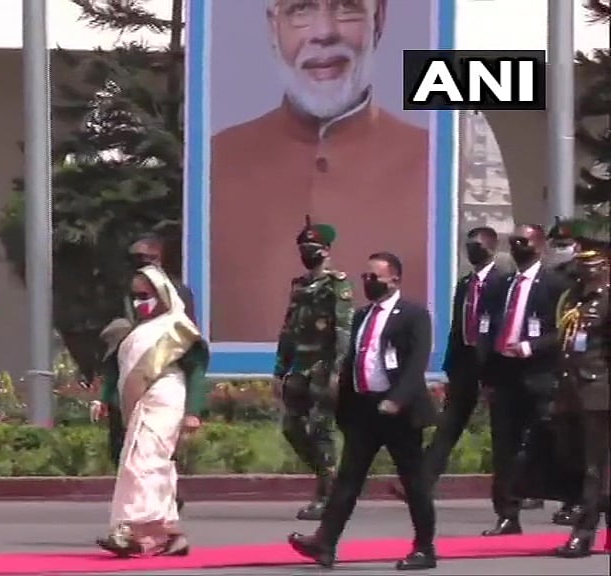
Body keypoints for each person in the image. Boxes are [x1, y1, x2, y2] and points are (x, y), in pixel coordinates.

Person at [209, 0, 429, 343]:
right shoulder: (218, 160)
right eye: (301, 10)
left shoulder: (428, 161)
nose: (324, 32)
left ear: (379, 18)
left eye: (347, 8)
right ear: (273, 27)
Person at [288, 252, 438, 570]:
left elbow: (416, 364)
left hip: (399, 410)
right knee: (348, 480)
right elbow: (354, 360)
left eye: (375, 278)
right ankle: (324, 543)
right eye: (365, 277)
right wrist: (343, 403)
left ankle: (424, 547)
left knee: (413, 482)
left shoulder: (412, 314)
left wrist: (397, 399)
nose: (368, 283)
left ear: (394, 279)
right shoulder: (362, 315)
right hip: (364, 410)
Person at [95, 265, 210, 557]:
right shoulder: (134, 333)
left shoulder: (178, 328)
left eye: (144, 295)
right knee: (152, 464)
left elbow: (196, 372)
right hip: (141, 402)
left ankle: (132, 530)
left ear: (161, 295)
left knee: (143, 461)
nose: (138, 302)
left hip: (166, 395)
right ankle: (168, 535)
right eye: (134, 296)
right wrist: (106, 401)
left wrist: (193, 411)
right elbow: (116, 374)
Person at [389, 228, 505, 504]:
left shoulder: (502, 283)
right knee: (449, 423)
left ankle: (513, 491)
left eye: (476, 245)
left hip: (492, 362)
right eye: (468, 245)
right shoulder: (466, 283)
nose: (471, 250)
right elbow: (457, 326)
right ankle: (421, 483)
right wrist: (450, 365)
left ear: (490, 247)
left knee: (504, 431)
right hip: (465, 361)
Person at [478, 224, 573, 537]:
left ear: (539, 246)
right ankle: (507, 514)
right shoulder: (501, 285)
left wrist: (531, 346)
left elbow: (565, 330)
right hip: (505, 375)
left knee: (546, 442)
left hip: (540, 373)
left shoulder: (556, 284)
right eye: (513, 241)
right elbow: (489, 330)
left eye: (523, 241)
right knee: (504, 445)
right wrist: (487, 375)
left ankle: (573, 501)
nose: (517, 246)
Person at [274, 216, 353, 520]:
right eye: (304, 246)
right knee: (292, 428)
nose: (307, 251)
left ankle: (328, 497)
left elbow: (344, 331)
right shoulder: (300, 285)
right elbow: (288, 330)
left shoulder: (337, 284)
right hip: (299, 367)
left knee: (322, 430)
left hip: (324, 365)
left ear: (327, 249)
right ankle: (329, 478)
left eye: (313, 246)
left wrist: (337, 372)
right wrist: (279, 371)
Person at [552, 227, 610, 558]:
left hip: (599, 390)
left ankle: (584, 533)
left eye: (592, 261)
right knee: (581, 462)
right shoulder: (575, 297)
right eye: (581, 261)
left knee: (594, 467)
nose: (584, 267)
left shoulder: (607, 298)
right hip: (573, 388)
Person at [544, 218, 587, 526]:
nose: (561, 250)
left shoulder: (589, 284)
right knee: (568, 441)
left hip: (589, 374)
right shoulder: (551, 280)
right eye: (556, 244)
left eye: (566, 245)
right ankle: (572, 500)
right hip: (560, 369)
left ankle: (583, 503)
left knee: (587, 444)